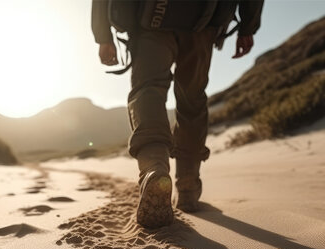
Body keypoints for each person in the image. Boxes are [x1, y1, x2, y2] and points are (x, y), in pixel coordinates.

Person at [92, 0, 264, 228]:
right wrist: (247, 27)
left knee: (148, 90)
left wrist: (103, 35)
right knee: (192, 100)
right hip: (202, 23)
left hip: (150, 18)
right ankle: (188, 186)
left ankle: (154, 168)